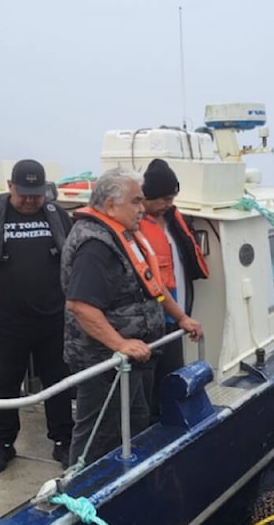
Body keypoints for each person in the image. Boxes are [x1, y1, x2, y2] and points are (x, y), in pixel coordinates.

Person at [62, 167, 203, 466]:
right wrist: (120, 343)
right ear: (111, 205)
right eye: (136, 202)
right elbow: (81, 305)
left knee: (135, 423)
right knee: (98, 433)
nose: (142, 208)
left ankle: (129, 478)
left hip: (135, 359)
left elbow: (153, 284)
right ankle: (80, 491)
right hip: (105, 363)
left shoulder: (125, 235)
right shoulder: (95, 245)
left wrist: (181, 318)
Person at [0, 159, 74, 473]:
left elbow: (72, 260)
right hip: (4, 323)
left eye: (35, 194)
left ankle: (63, 439)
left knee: (58, 381)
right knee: (4, 384)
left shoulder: (57, 216)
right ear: (10, 186)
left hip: (53, 319)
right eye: (23, 193)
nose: (29, 200)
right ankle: (3, 443)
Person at [138, 159, 209, 421]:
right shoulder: (136, 227)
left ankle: (171, 420)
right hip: (157, 316)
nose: (168, 204)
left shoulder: (174, 220)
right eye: (163, 198)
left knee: (173, 374)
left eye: (172, 197)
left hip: (177, 312)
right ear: (147, 196)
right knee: (154, 381)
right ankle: (153, 425)